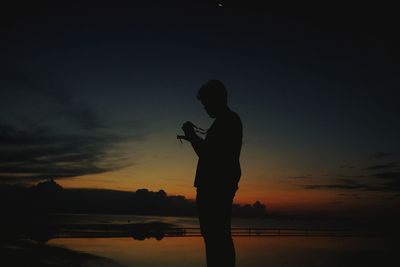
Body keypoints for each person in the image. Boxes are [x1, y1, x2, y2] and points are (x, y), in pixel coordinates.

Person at [180, 80, 243, 267]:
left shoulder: (228, 121)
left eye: (206, 103)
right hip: (218, 186)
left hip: (215, 188)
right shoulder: (227, 121)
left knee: (216, 236)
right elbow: (211, 153)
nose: (205, 108)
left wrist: (191, 137)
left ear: (218, 99)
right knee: (216, 235)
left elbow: (209, 155)